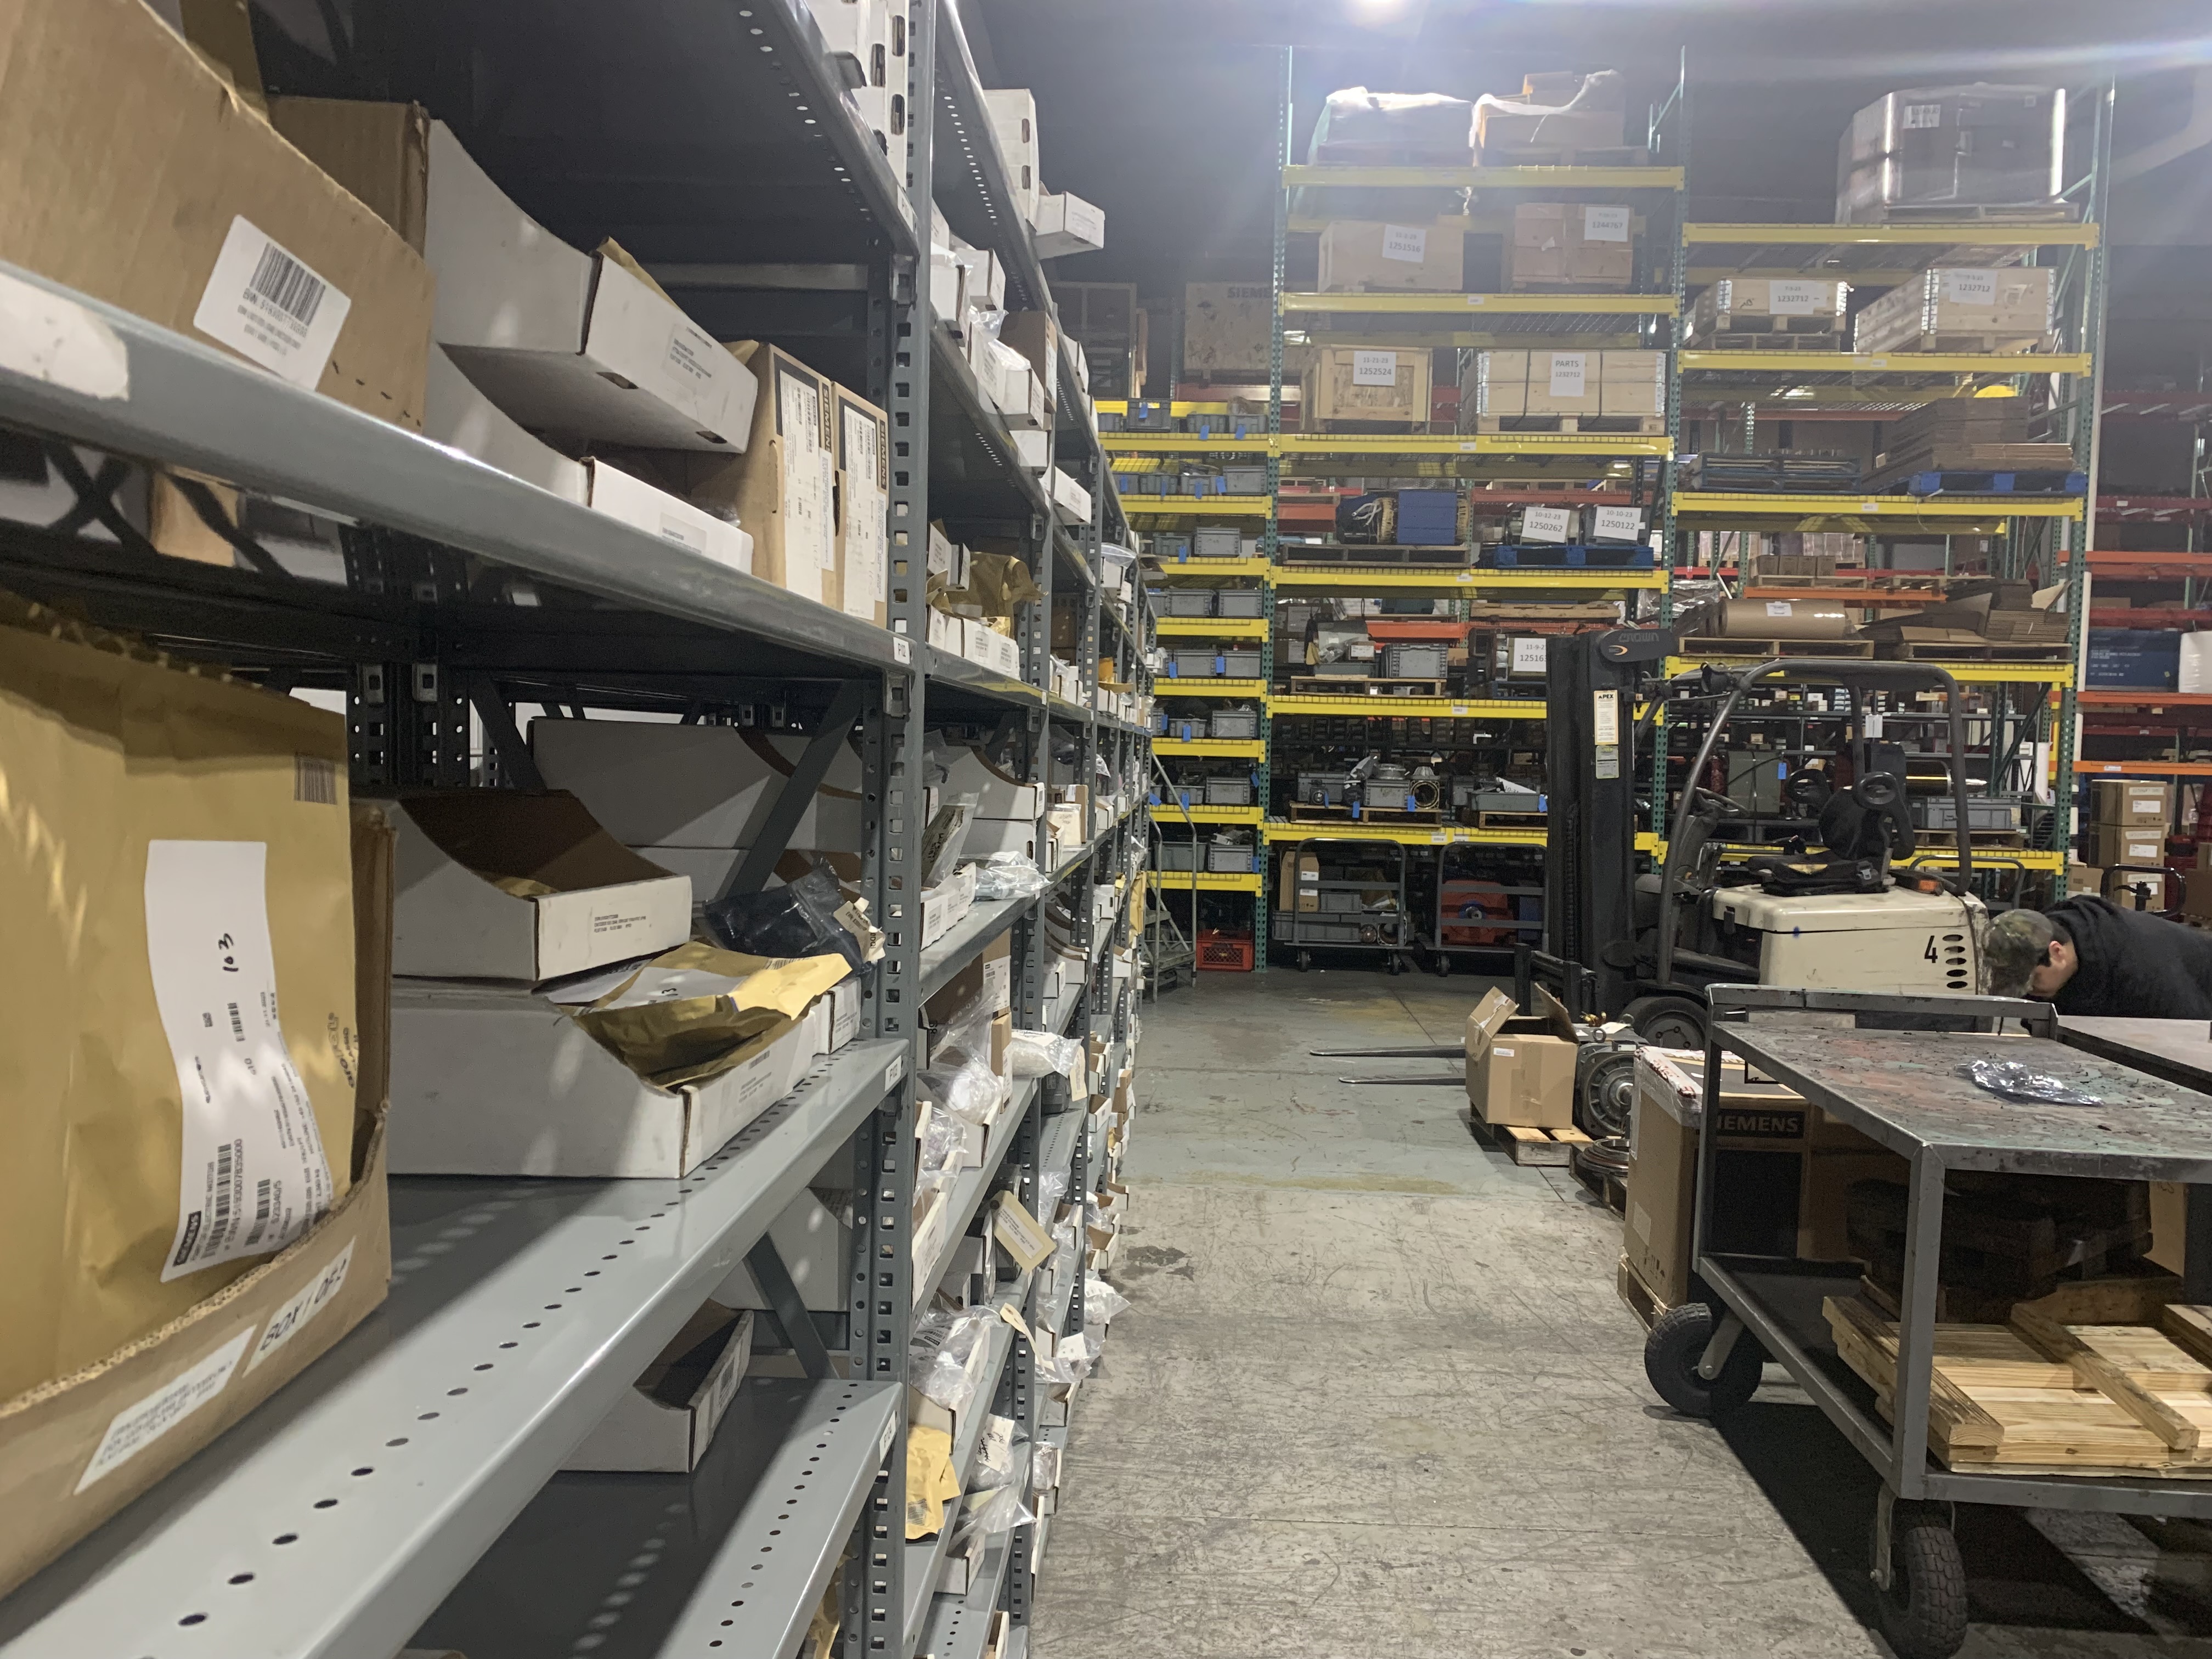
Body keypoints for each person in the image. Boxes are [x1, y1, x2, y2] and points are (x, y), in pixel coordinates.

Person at [1985, 895, 2212, 1017]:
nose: (2029, 990)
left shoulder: (2142, 975)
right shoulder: (2040, 932)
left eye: (2032, 979)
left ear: (2057, 952)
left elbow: (2190, 1033)